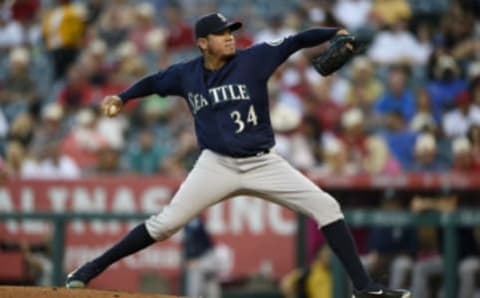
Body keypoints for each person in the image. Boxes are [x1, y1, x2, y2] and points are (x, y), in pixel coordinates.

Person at [65, 12, 410, 298]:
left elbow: (295, 41)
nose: (229, 37)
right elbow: (153, 82)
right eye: (221, 34)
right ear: (203, 43)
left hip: (262, 162)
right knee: (165, 224)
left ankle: (364, 288)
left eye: (230, 31)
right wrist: (122, 97)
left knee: (327, 207)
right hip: (216, 164)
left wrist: (337, 31)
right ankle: (90, 268)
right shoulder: (185, 74)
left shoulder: (253, 59)